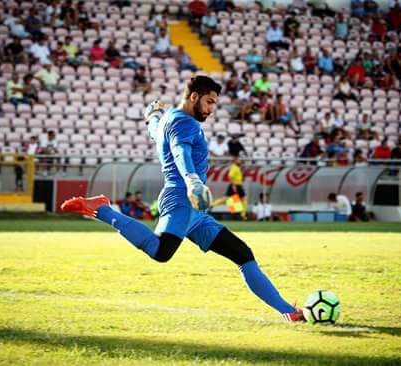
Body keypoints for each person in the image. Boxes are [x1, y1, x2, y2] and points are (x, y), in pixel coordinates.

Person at [60, 75, 306, 322]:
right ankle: (103, 210)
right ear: (194, 97)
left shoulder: (169, 118)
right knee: (160, 252)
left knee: (243, 254)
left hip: (193, 209)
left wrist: (152, 116)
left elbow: (155, 131)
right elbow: (180, 150)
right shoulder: (186, 123)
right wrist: (192, 180)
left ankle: (289, 311)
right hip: (182, 197)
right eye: (209, 102)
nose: (210, 110)